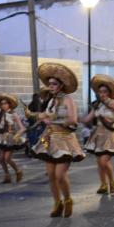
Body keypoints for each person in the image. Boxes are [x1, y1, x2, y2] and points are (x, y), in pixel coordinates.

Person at [29, 62, 85, 217]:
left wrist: (51, 121)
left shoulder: (68, 100)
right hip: (50, 139)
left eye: (54, 84)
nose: (50, 86)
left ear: (61, 85)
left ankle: (68, 200)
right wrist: (40, 117)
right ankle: (57, 203)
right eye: (49, 83)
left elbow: (73, 120)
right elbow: (45, 117)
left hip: (65, 140)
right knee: (51, 175)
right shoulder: (51, 101)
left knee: (60, 175)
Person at [81, 75, 114, 194]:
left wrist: (113, 119)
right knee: (100, 162)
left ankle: (112, 182)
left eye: (105, 91)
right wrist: (73, 118)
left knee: (103, 161)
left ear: (109, 93)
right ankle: (103, 185)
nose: (102, 94)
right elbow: (87, 119)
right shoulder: (97, 104)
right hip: (98, 135)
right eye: (100, 92)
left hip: (110, 134)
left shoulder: (112, 103)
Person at [0, 93, 26, 183]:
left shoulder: (14, 114)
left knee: (7, 158)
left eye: (5, 103)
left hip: (10, 138)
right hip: (2, 138)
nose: (3, 105)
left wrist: (16, 137)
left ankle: (18, 171)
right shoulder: (1, 113)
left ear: (9, 104)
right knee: (1, 159)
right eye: (2, 103)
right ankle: (7, 175)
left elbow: (22, 128)